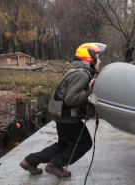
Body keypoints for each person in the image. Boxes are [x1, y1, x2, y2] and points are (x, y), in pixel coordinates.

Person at [20, 43, 106, 178]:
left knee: (63, 145)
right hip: (67, 117)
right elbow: (70, 100)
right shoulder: (82, 74)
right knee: (84, 144)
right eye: (97, 57)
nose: (99, 61)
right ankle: (54, 165)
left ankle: (30, 161)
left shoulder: (77, 71)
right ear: (89, 59)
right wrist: (90, 91)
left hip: (61, 116)